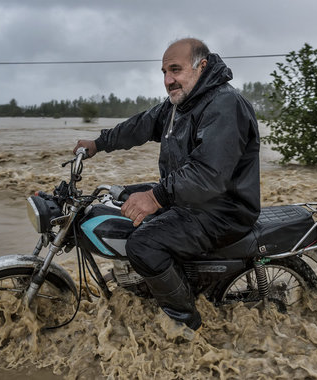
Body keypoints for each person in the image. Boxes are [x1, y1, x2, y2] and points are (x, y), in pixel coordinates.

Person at [73, 38, 260, 330]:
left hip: (223, 210)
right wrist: (98, 143)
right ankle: (147, 280)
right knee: (120, 198)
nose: (168, 80)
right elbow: (140, 125)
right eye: (163, 72)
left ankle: (186, 323)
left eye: (175, 70)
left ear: (202, 66)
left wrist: (156, 197)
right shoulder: (182, 103)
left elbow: (209, 173)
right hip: (194, 198)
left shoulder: (224, 104)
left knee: (144, 245)